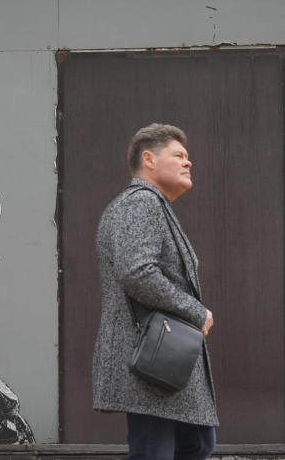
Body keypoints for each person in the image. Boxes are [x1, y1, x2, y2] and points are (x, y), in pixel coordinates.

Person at [92, 123, 217, 460]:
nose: (188, 162)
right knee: (156, 450)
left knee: (197, 443)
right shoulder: (141, 203)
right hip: (152, 360)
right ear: (149, 159)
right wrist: (196, 311)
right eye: (178, 155)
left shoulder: (153, 206)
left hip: (165, 359)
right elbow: (137, 273)